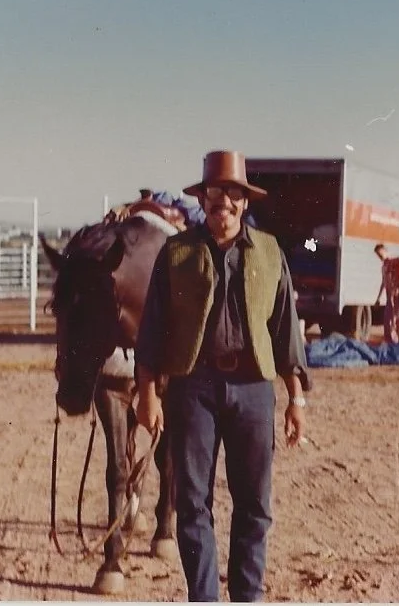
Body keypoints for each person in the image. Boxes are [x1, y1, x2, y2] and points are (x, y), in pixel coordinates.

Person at [134, 149, 311, 602]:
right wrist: (148, 393)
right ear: (204, 197)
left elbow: (285, 331)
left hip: (254, 390)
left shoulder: (270, 252)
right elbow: (152, 329)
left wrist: (296, 398)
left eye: (233, 194)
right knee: (192, 504)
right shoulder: (177, 252)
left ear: (244, 202)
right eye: (216, 193)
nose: (224, 203)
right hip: (194, 389)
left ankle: (246, 597)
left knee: (254, 504)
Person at [373, 243, 399, 343]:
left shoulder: (394, 263)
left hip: (395, 295)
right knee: (388, 320)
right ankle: (390, 341)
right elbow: (383, 283)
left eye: (380, 254)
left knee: (393, 319)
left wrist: (397, 290)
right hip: (389, 296)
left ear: (384, 251)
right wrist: (378, 298)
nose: (379, 257)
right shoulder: (384, 267)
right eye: (378, 255)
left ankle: (394, 341)